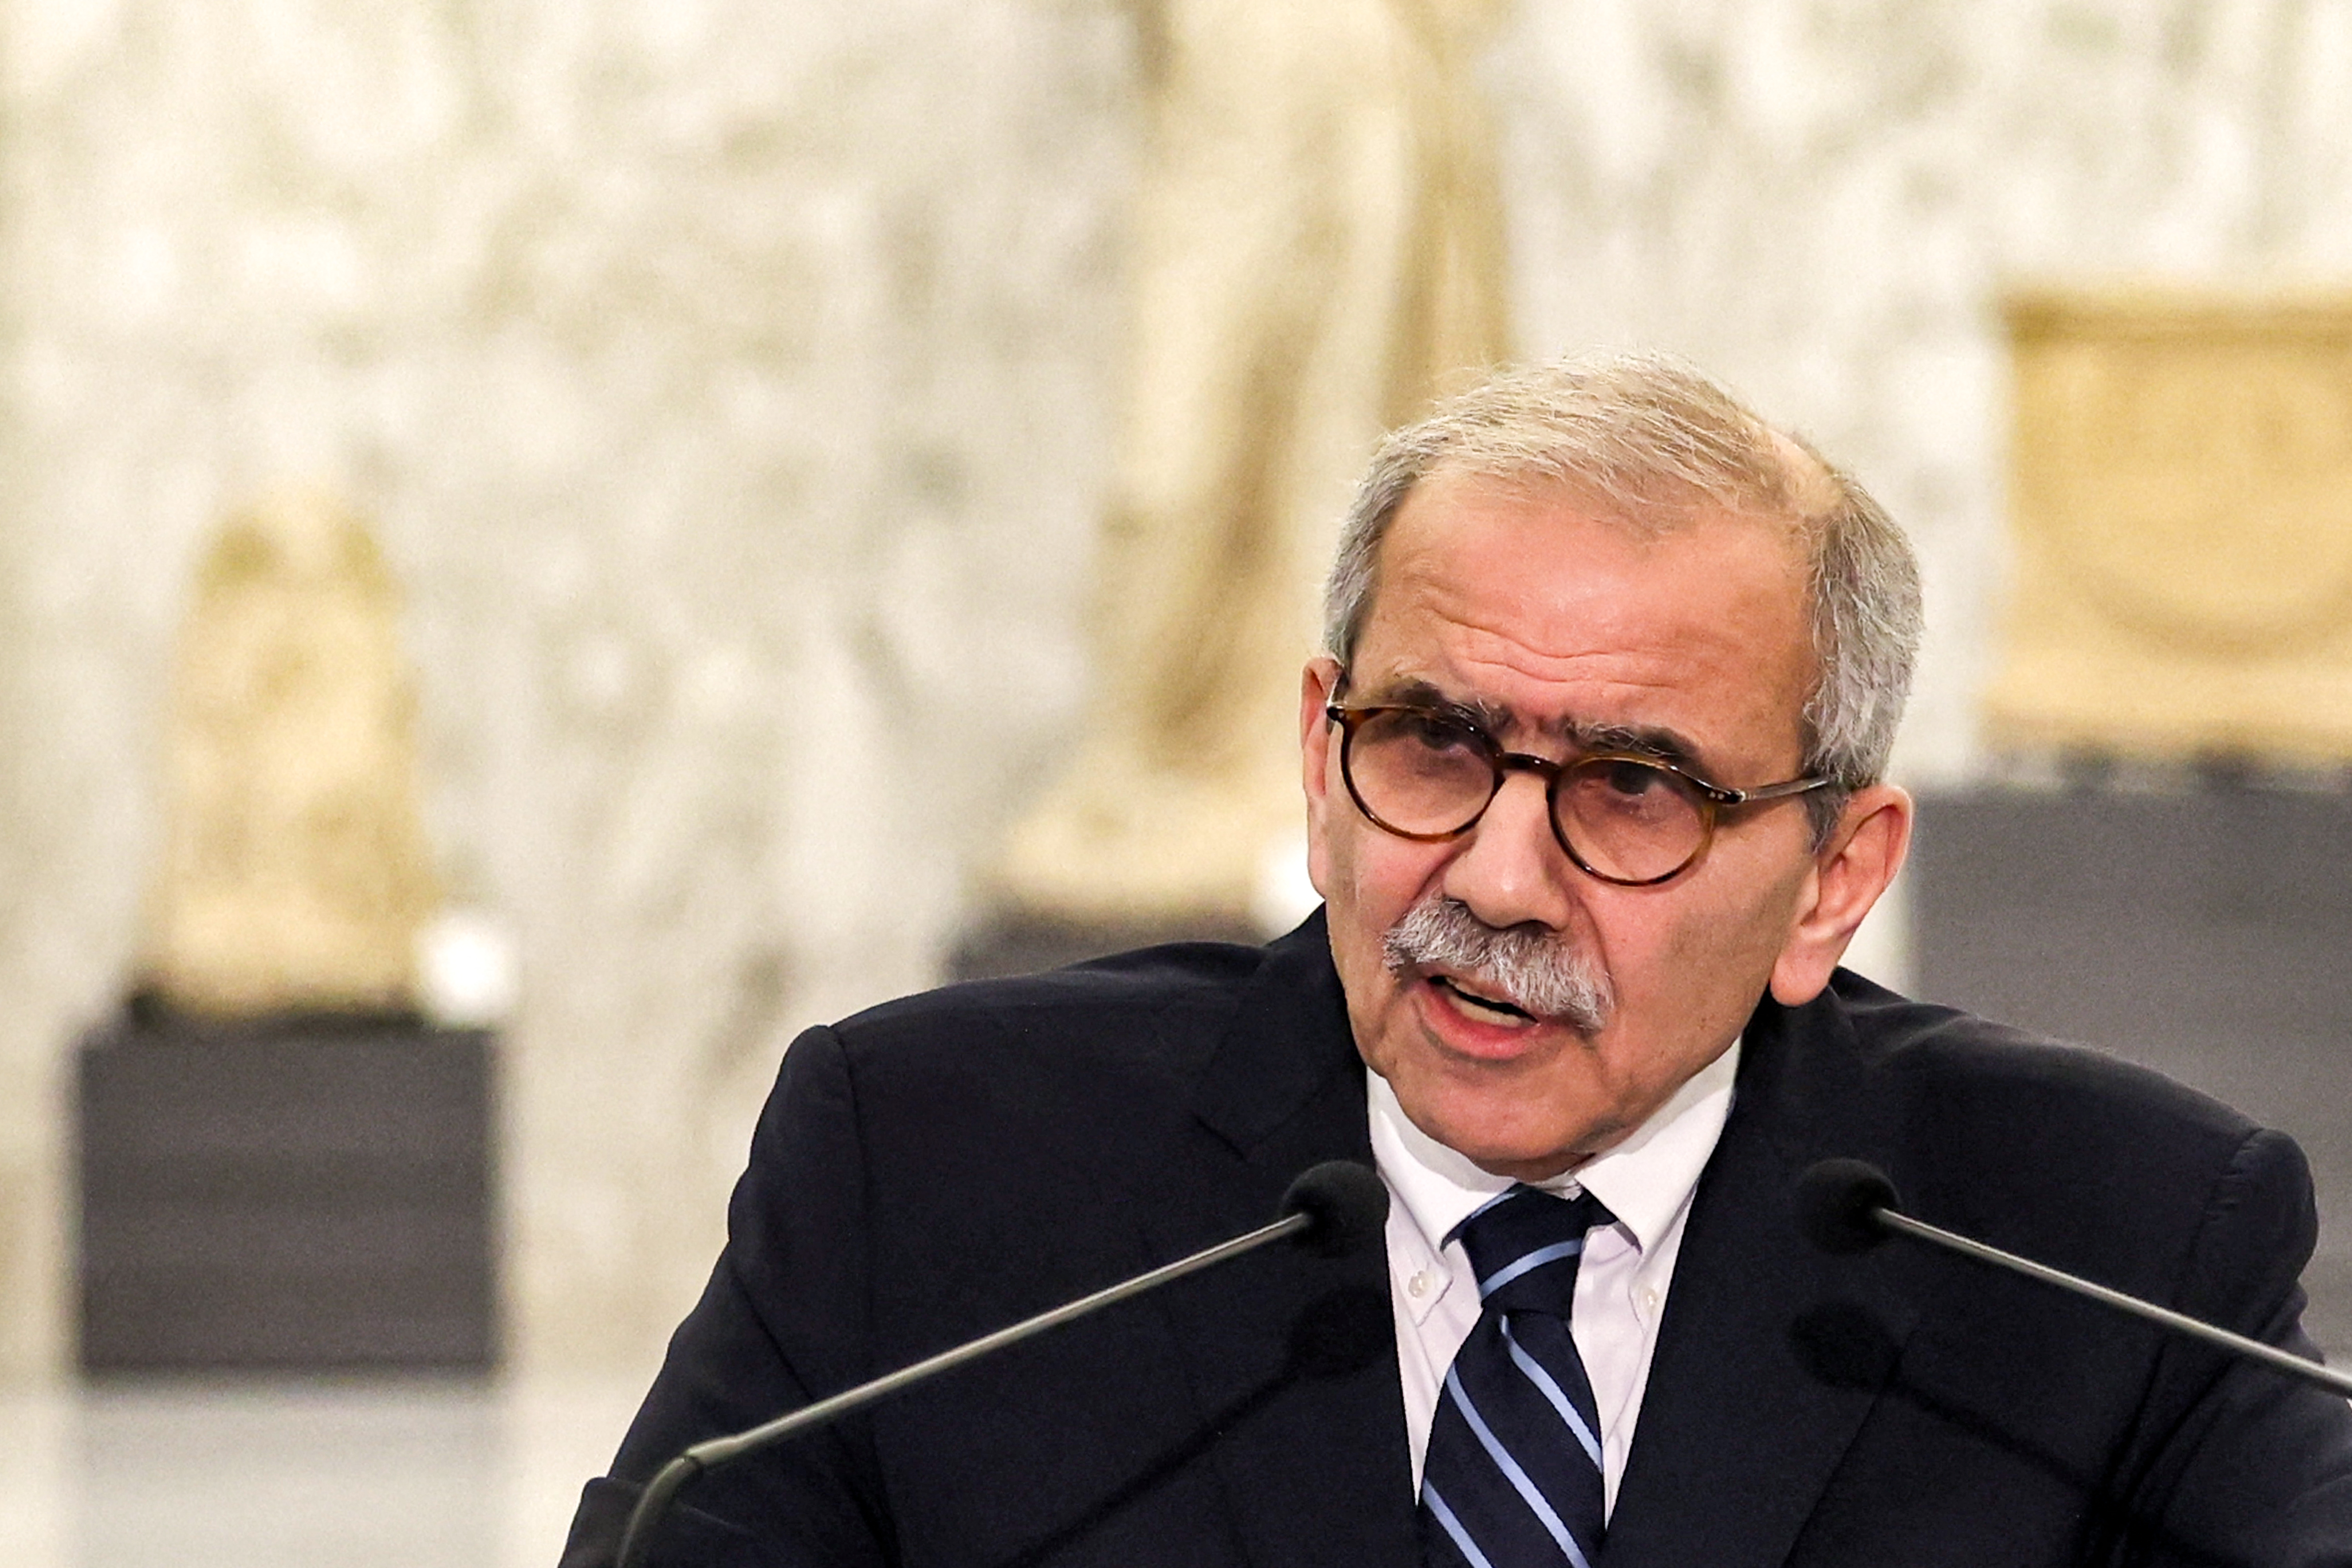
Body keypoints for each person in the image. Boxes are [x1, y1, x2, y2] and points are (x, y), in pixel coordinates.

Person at [563, 355, 2352, 1568]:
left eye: (1634, 789)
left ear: (1833, 880)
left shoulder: (2118, 1252)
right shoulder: (933, 1166)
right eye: (1431, 744)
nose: (1496, 877)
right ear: (1319, 743)